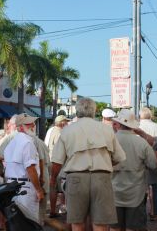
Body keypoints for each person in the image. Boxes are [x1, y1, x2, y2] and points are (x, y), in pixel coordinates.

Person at [51, 98, 126, 231]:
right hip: (101, 178)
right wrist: (105, 162)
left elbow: (57, 162)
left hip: (76, 179)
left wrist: (52, 180)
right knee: (100, 224)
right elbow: (119, 157)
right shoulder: (107, 130)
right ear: (94, 111)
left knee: (77, 223)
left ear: (77, 111)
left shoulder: (67, 131)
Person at [110, 109, 157, 231]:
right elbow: (153, 164)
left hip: (113, 192)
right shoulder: (141, 143)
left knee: (115, 228)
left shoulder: (110, 141)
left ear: (119, 124)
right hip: (136, 194)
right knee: (133, 228)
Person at [3, 113, 44, 224]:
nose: (33, 125)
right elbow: (30, 169)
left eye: (33, 122)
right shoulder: (27, 142)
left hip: (12, 186)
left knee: (17, 222)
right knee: (29, 222)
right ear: (20, 127)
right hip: (25, 187)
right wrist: (39, 190)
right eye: (29, 123)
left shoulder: (11, 142)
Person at [47, 115, 68, 218]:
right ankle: (60, 209)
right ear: (62, 123)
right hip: (58, 164)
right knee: (62, 188)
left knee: (53, 187)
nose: (67, 124)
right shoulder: (60, 133)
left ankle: (52, 210)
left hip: (51, 161)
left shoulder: (51, 130)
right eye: (66, 122)